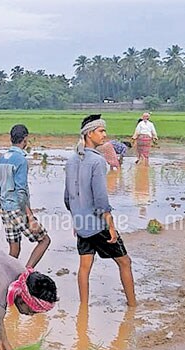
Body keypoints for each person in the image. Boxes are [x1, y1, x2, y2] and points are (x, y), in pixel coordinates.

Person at [65, 115, 137, 306]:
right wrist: (110, 226)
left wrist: (76, 219)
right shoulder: (97, 162)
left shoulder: (71, 160)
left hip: (81, 224)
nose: (105, 135)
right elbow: (101, 199)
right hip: (98, 225)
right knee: (125, 262)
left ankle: (83, 309)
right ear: (90, 134)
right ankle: (133, 305)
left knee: (84, 266)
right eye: (101, 131)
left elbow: (68, 197)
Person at [0, 124, 51, 268]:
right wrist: (30, 217)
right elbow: (21, 192)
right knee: (44, 240)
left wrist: (2, 205)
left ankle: (4, 277)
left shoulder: (2, 159)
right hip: (17, 208)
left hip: (5, 208)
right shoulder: (20, 160)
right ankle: (26, 274)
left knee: (14, 249)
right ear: (25, 139)